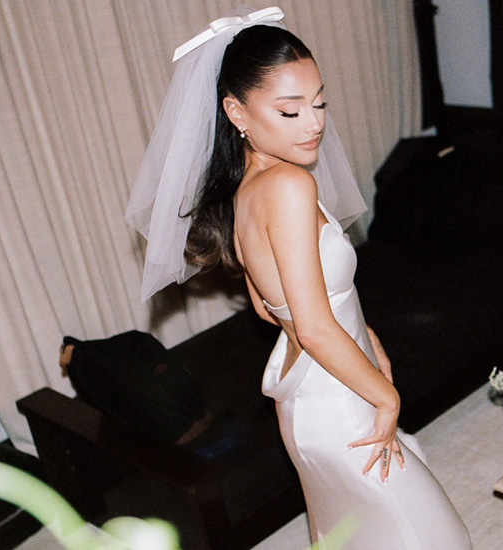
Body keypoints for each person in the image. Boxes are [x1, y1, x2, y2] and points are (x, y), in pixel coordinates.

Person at [126, 7, 472, 549]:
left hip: (315, 392)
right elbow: (311, 324)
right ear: (235, 112)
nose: (313, 124)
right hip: (338, 400)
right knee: (429, 536)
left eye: (319, 103)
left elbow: (271, 308)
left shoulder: (247, 189)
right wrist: (387, 398)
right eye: (290, 111)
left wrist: (364, 336)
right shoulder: (289, 186)